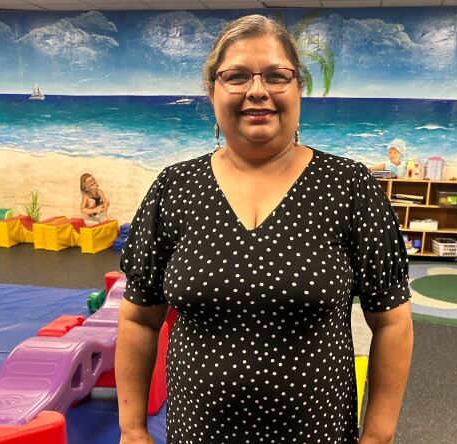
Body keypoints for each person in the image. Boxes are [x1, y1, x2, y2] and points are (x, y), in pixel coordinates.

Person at [116, 14, 413, 444]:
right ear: (213, 91)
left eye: (276, 76)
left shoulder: (348, 187)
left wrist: (377, 436)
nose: (258, 91)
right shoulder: (174, 188)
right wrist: (132, 429)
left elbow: (392, 322)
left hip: (318, 434)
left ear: (298, 89)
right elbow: (139, 318)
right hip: (198, 434)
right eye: (236, 76)